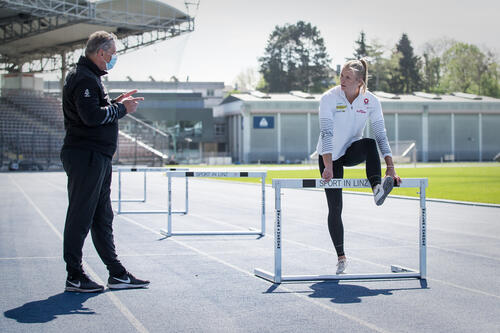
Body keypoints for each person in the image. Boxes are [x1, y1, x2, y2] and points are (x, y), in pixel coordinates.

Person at [61, 31, 149, 292]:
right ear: (100, 53)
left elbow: (97, 110)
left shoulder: (90, 78)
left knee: (102, 216)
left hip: (96, 156)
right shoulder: (84, 79)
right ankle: (74, 275)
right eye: (111, 55)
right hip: (85, 155)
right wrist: (121, 109)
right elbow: (91, 117)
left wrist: (116, 102)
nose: (112, 60)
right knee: (81, 216)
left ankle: (116, 273)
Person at [317, 58, 401, 275]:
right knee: (335, 207)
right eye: (341, 75)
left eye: (347, 77)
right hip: (330, 155)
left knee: (370, 143)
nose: (341, 80)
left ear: (359, 82)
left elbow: (381, 134)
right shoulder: (329, 98)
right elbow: (326, 133)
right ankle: (341, 257)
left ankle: (377, 189)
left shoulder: (371, 101)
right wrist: (328, 166)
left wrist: (390, 167)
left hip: (352, 149)